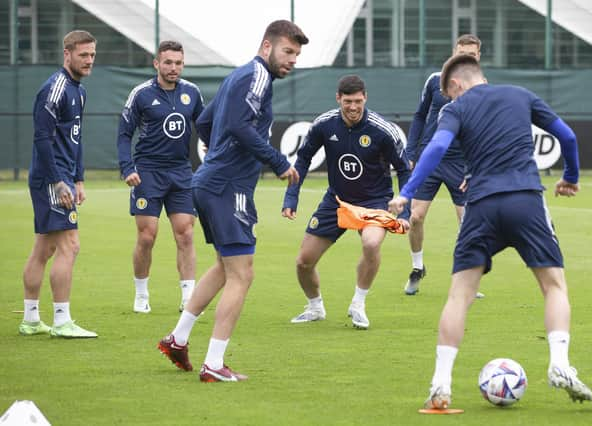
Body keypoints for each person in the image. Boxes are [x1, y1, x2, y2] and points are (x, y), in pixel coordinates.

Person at [388, 54, 592, 408]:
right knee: (554, 286)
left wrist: (406, 193)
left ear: (455, 85)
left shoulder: (455, 109)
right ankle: (560, 364)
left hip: (481, 205)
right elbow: (569, 137)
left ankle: (441, 383)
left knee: (459, 295)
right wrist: (570, 177)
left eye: (450, 96)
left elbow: (436, 148)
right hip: (526, 200)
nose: (450, 101)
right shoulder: (520, 94)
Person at [157, 20, 308, 382]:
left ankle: (177, 339)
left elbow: (206, 123)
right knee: (243, 274)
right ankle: (214, 364)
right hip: (228, 187)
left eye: (297, 55)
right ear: (267, 46)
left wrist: (218, 156)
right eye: (288, 51)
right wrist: (277, 161)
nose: (292, 60)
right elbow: (240, 126)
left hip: (211, 182)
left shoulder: (238, 76)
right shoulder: (257, 76)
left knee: (226, 267)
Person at [284, 75, 411, 330]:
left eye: (358, 101)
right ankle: (315, 307)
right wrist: (291, 197)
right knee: (303, 262)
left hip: (374, 201)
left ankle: (358, 304)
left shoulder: (382, 130)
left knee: (372, 243)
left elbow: (404, 169)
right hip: (337, 200)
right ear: (338, 99)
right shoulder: (324, 124)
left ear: (365, 98)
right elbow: (303, 159)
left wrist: (404, 210)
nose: (353, 107)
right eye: (347, 102)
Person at [19, 30, 98, 338]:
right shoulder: (55, 88)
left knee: (45, 247)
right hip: (51, 177)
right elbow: (42, 138)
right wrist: (58, 182)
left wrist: (78, 178)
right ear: (67, 54)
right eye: (83, 55)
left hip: (64, 176)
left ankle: (30, 319)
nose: (89, 60)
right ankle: (62, 321)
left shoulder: (79, 91)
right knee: (70, 245)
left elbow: (75, 139)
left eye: (92, 55)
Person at [117, 41, 204, 313]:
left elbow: (206, 129)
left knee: (186, 234)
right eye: (168, 62)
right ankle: (141, 295)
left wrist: (214, 161)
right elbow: (124, 134)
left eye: (178, 63)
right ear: (157, 63)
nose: (173, 68)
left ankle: (188, 297)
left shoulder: (192, 92)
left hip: (181, 172)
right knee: (147, 237)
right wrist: (127, 167)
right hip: (148, 172)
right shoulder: (141, 94)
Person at [403, 34, 483, 298]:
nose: (465, 57)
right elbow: (418, 115)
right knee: (415, 216)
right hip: (430, 159)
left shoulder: (482, 88)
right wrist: (411, 151)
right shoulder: (434, 81)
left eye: (471, 54)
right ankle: (417, 268)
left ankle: (466, 279)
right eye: (461, 52)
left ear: (478, 56)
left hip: (459, 164)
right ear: (453, 52)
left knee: (466, 222)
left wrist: (475, 167)